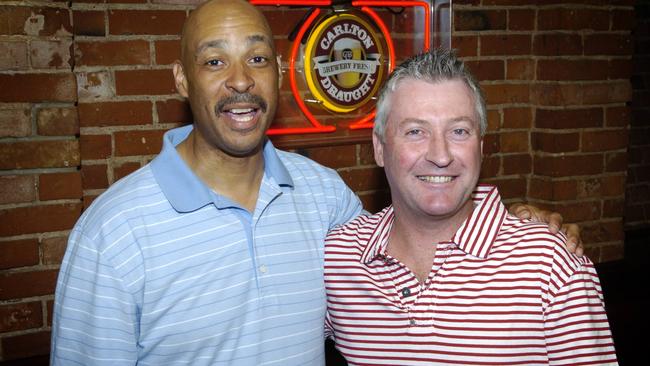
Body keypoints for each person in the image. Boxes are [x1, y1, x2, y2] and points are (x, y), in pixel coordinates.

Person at [50, 1, 582, 365]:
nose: (240, 80)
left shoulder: (325, 199)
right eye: (215, 61)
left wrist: (524, 226)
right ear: (182, 80)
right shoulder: (112, 234)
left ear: (279, 71)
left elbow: (415, 228)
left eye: (257, 59)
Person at [324, 48, 617, 365]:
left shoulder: (551, 265)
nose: (441, 155)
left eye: (459, 131)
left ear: (479, 148)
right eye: (415, 131)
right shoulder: (339, 258)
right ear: (380, 149)